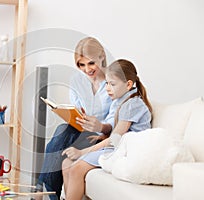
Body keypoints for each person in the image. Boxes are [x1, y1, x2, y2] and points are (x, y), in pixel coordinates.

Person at [35, 37, 115, 199]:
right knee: (62, 132)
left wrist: (100, 126)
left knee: (60, 140)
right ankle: (45, 192)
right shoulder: (77, 80)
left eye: (91, 63)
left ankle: (39, 190)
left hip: (101, 137)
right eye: (81, 65)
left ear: (102, 57)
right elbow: (76, 110)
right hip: (80, 132)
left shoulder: (113, 82)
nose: (87, 69)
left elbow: (114, 122)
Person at [62, 59, 153, 200]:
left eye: (113, 84)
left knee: (76, 169)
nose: (108, 88)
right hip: (118, 147)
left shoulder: (131, 104)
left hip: (126, 152)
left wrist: (82, 152)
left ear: (128, 84)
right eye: (107, 83)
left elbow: (115, 139)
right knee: (66, 163)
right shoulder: (120, 100)